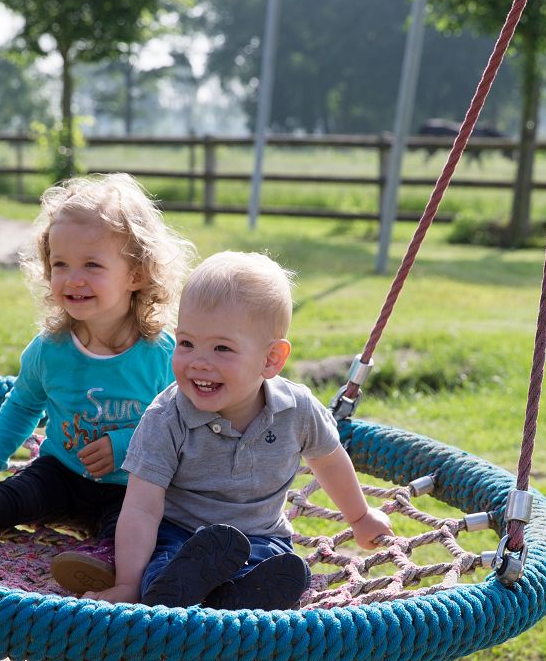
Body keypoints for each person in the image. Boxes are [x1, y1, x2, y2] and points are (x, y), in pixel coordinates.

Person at [0, 173, 194, 596]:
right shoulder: (51, 349)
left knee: (135, 526)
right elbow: (21, 406)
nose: (72, 278)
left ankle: (104, 564)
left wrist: (125, 446)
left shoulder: (159, 354)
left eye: (92, 265)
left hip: (132, 487)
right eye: (60, 264)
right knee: (20, 493)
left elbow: (183, 420)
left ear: (135, 275)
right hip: (62, 470)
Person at [85, 251, 393, 611]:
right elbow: (142, 507)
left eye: (222, 348)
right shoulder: (167, 416)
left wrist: (359, 516)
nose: (198, 361)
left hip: (261, 534)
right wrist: (127, 584)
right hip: (180, 532)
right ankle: (173, 589)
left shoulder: (297, 409)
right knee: (165, 561)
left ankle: (236, 594)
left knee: (282, 567)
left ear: (271, 359)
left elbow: (329, 461)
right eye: (186, 343)